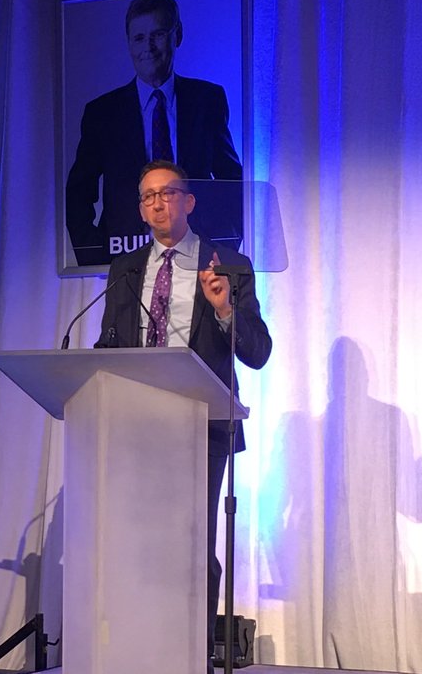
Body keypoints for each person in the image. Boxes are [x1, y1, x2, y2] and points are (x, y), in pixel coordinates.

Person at [96, 160, 272, 671]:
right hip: (137, 425)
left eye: (168, 193)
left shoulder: (229, 264)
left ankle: (193, 656)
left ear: (189, 202)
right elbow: (110, 342)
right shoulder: (125, 269)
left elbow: (258, 351)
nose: (158, 203)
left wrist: (224, 310)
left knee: (193, 546)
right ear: (140, 209)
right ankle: (143, 652)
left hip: (203, 426)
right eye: (148, 196)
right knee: (139, 544)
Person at [65, 0, 243, 267]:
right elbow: (79, 192)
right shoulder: (102, 113)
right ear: (128, 43)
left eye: (158, 34)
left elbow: (231, 182)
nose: (148, 47)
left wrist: (225, 248)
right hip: (125, 261)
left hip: (196, 258)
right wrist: (94, 257)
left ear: (177, 35)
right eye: (139, 37)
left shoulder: (207, 100)